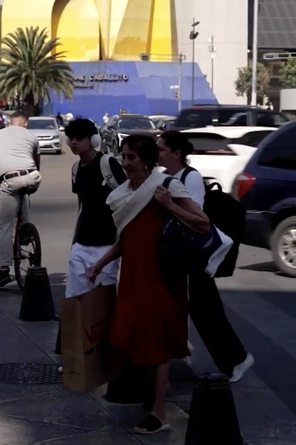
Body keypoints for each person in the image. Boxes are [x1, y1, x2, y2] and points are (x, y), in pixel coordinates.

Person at [89, 134, 210, 434]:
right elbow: (127, 239)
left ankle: (159, 412)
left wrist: (169, 206)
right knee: (129, 337)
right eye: (123, 156)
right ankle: (152, 400)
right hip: (133, 277)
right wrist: (101, 263)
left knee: (156, 344)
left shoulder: (166, 186)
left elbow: (203, 223)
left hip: (162, 277)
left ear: (146, 160)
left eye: (131, 157)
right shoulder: (124, 194)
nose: (125, 163)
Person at [157, 131, 255, 382]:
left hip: (192, 255)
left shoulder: (190, 178)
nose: (158, 153)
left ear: (176, 154)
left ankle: (237, 360)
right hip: (179, 254)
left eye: (162, 149)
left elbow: (198, 216)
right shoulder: (167, 177)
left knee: (205, 312)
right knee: (195, 308)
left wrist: (169, 205)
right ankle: (182, 350)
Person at [0, 111, 42, 288]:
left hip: (9, 179)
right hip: (33, 176)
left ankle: (4, 270)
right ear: (25, 124)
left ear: (9, 122)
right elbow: (37, 160)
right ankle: (26, 231)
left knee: (5, 225)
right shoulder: (32, 136)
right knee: (23, 192)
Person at [65, 118, 126, 297]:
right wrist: (74, 243)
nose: (74, 142)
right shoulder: (76, 169)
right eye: (71, 138)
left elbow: (126, 200)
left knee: (103, 301)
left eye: (79, 138)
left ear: (93, 140)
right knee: (75, 298)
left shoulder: (108, 164)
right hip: (81, 245)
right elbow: (81, 207)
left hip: (107, 246)